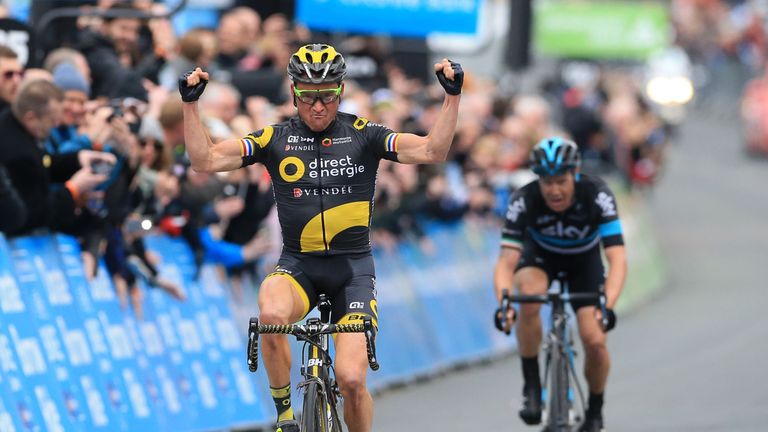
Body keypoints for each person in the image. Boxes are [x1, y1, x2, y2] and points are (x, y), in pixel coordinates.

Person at [179, 43, 463, 432]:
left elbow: (432, 150)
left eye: (327, 96)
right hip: (299, 265)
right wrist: (190, 105)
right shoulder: (274, 138)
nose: (317, 106)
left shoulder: (365, 134)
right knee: (271, 314)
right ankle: (284, 417)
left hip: (352, 270)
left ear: (340, 92)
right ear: (293, 92)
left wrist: (451, 98)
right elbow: (205, 160)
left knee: (351, 380)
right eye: (308, 96)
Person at [493, 137, 627, 432]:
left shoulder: (597, 195)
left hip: (584, 262)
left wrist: (608, 305)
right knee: (529, 297)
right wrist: (505, 303)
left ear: (575, 174)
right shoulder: (523, 199)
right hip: (540, 258)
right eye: (547, 182)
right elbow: (506, 262)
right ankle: (532, 386)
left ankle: (595, 411)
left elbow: (617, 258)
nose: (554, 190)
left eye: (561, 181)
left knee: (595, 340)